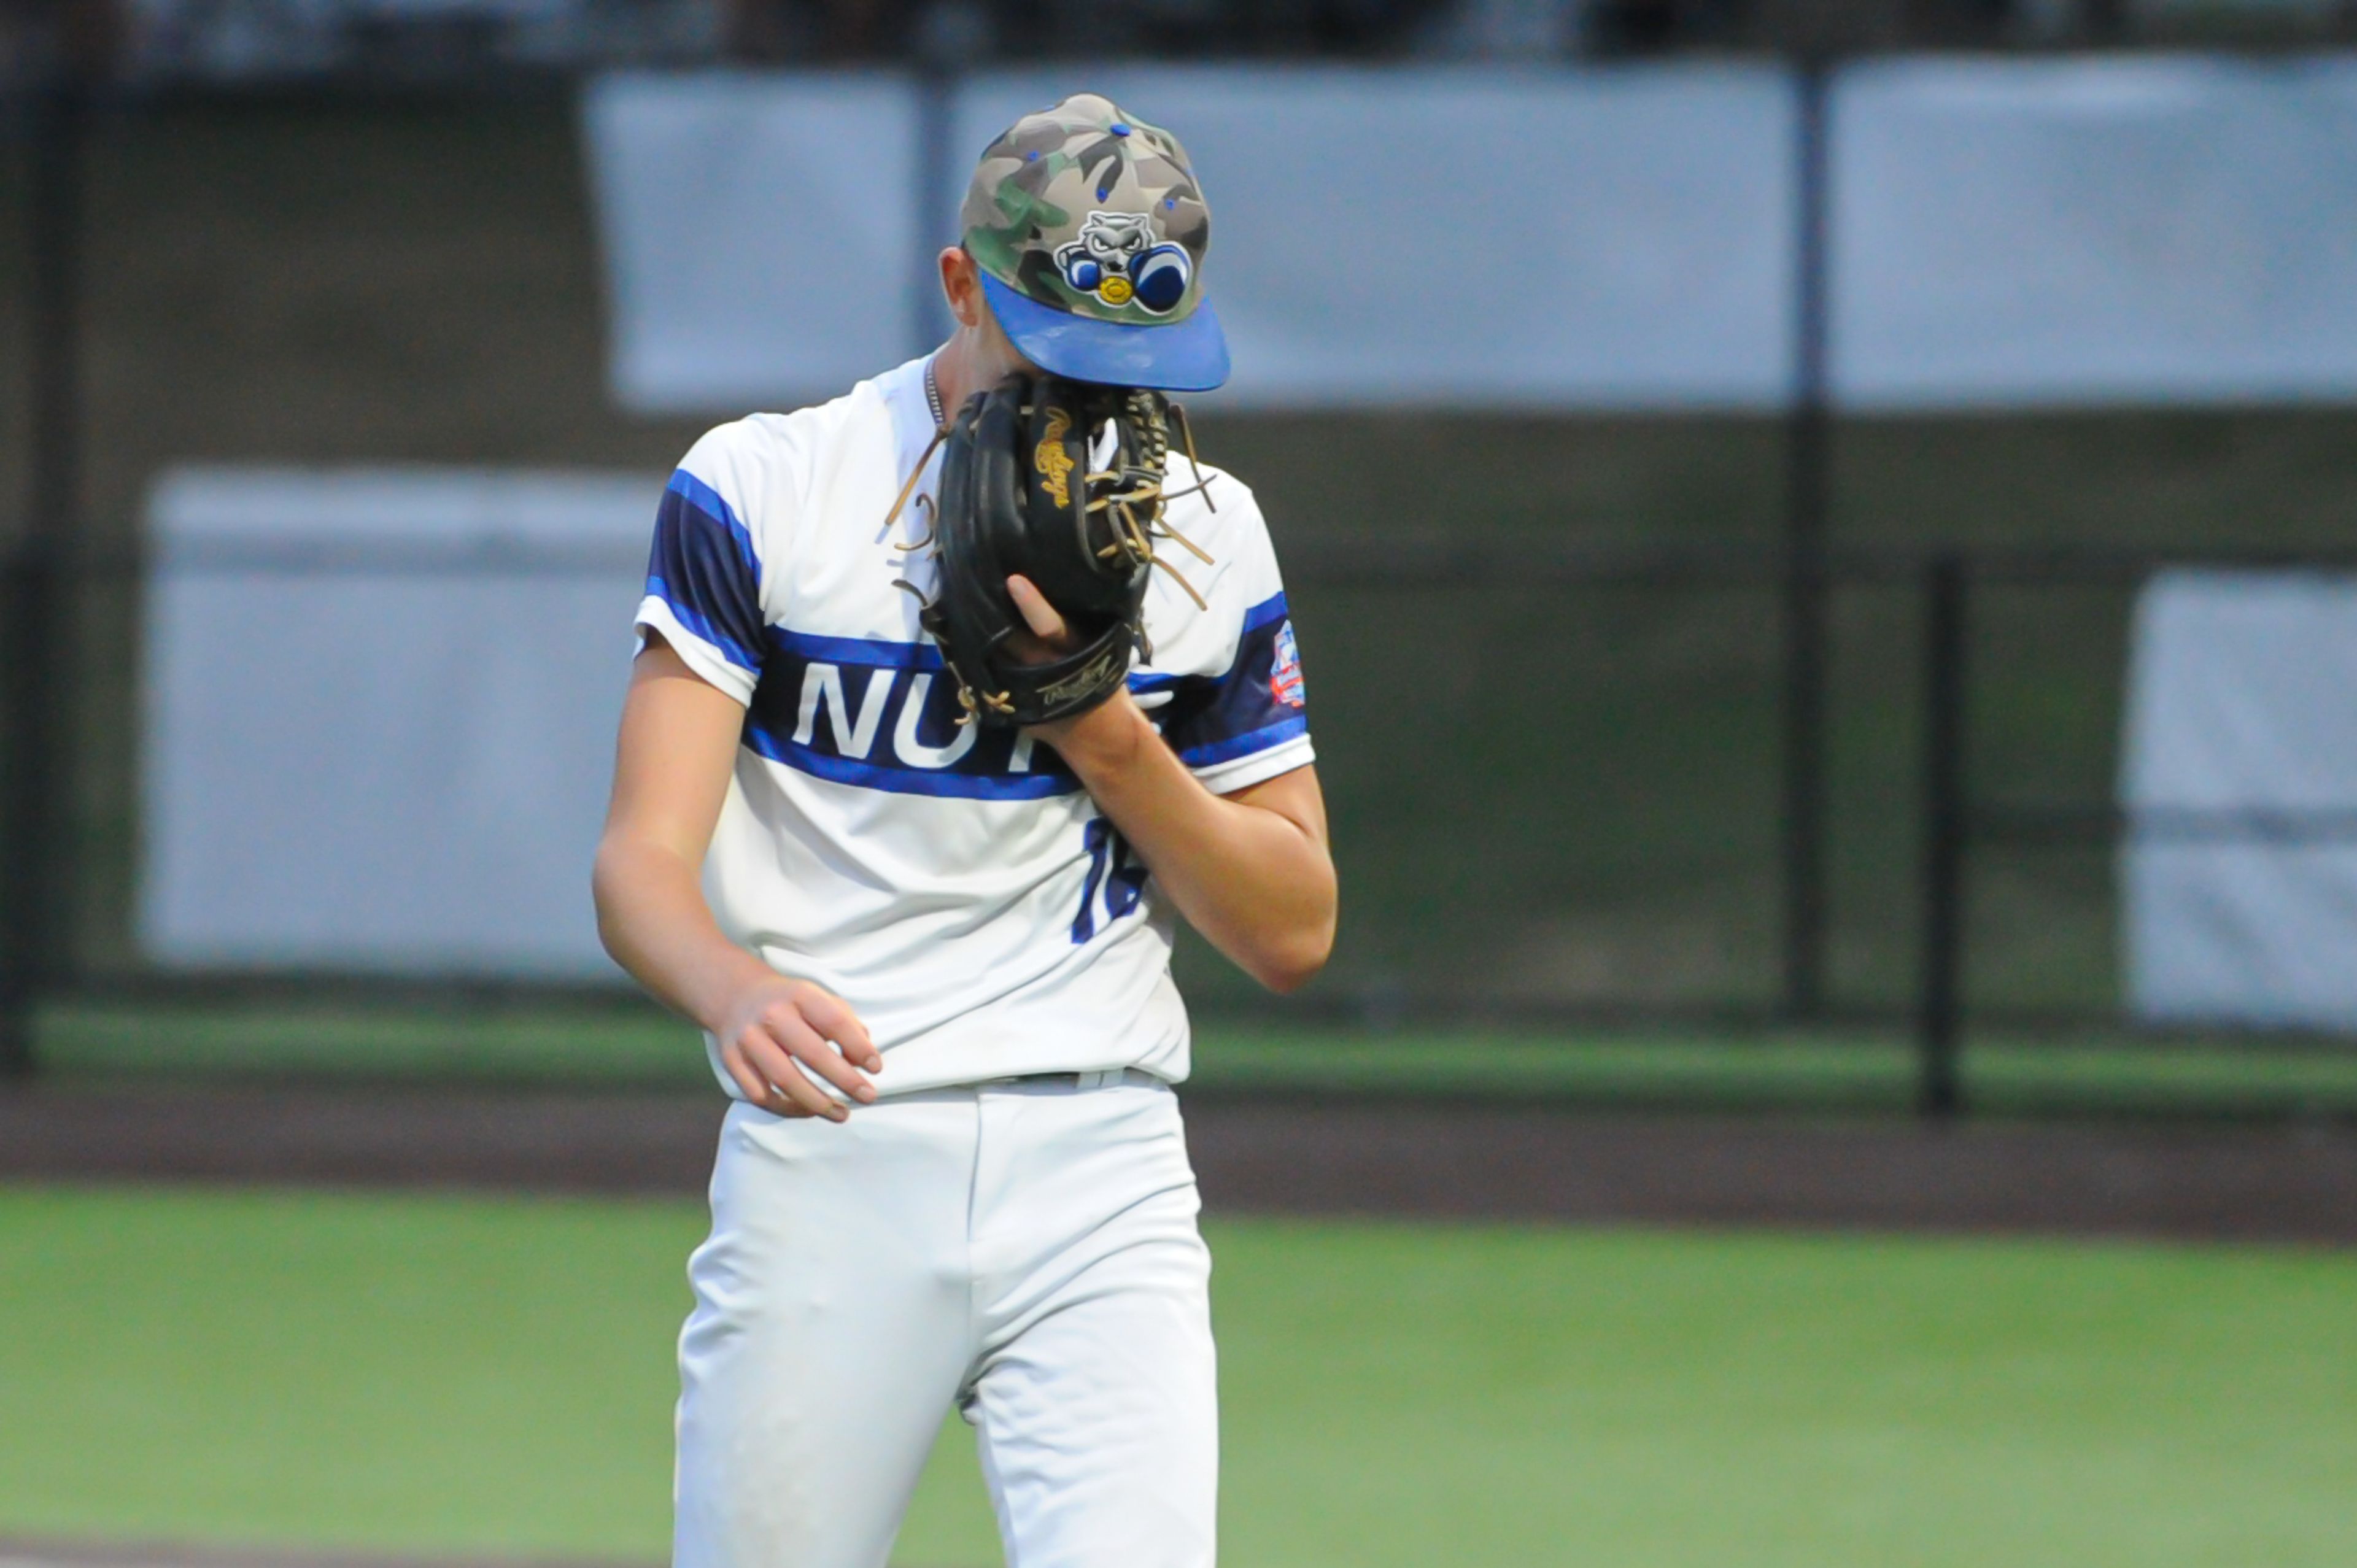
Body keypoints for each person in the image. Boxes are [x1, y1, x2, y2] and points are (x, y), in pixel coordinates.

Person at [592, 92, 1336, 1568]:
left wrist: (1100, 725)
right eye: (1058, 345)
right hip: (836, 1146)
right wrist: (732, 990)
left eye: (1137, 362)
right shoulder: (769, 487)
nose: (1098, 397)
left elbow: (1293, 929)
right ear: (958, 287)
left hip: (1103, 1157)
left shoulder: (1207, 531)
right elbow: (637, 864)